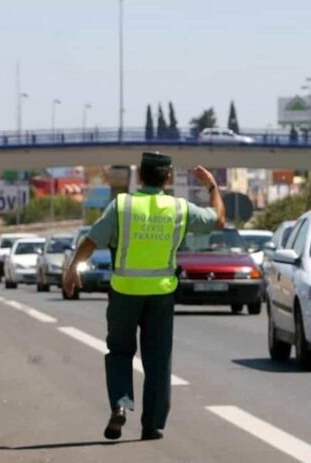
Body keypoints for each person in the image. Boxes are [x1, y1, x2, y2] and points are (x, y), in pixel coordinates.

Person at [63, 152, 225, 441]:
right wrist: (212, 186)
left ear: (139, 177)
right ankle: (152, 426)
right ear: (168, 178)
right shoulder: (179, 208)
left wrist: (72, 269)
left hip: (124, 292)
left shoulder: (122, 206)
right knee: (158, 360)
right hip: (161, 294)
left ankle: (121, 405)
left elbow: (91, 240)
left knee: (120, 353)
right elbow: (218, 220)